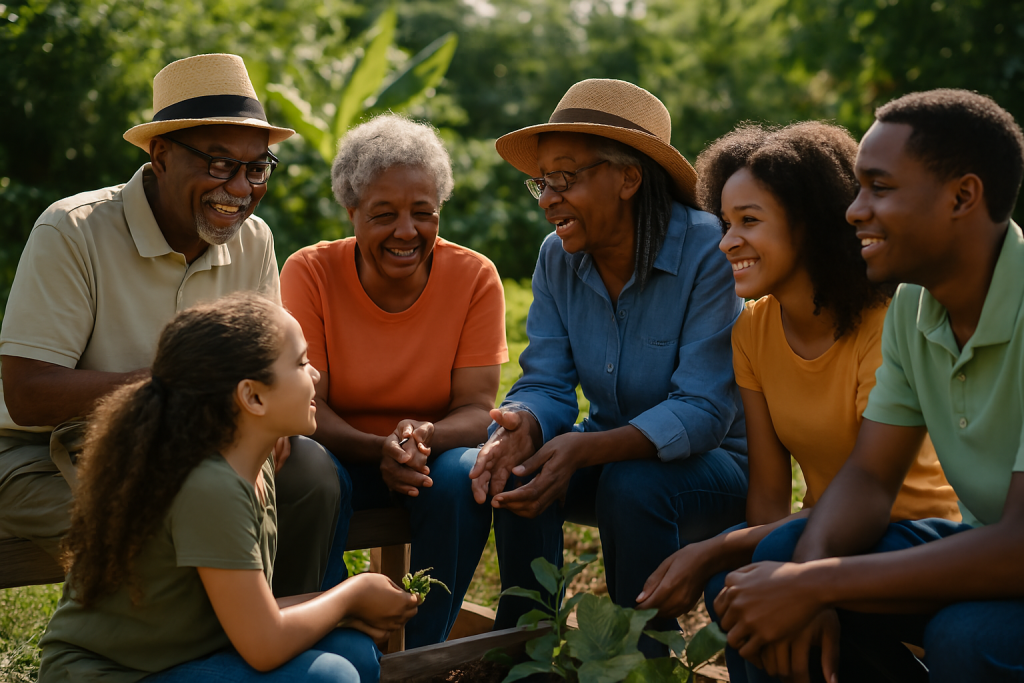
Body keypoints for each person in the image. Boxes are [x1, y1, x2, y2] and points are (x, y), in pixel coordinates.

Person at [0, 53, 340, 597]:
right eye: (220, 162)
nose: (241, 187)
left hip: (197, 443)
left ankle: (280, 644)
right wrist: (179, 387)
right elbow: (28, 394)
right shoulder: (73, 231)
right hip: (42, 455)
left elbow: (265, 366)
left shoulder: (254, 240)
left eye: (257, 167)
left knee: (313, 478)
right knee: (181, 526)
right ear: (160, 155)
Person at [712, 89, 1024, 683]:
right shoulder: (913, 308)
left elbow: (1018, 546)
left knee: (967, 639)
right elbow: (869, 476)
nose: (853, 211)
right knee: (773, 568)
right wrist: (802, 576)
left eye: (879, 188)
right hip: (980, 551)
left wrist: (815, 583)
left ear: (963, 195)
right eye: (857, 189)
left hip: (1004, 558)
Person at [633, 121, 960, 681]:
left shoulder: (884, 328)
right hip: (817, 538)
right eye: (726, 223)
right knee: (735, 589)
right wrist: (747, 560)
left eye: (750, 222)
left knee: (760, 562)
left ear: (809, 226)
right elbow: (767, 498)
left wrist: (715, 549)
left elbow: (872, 492)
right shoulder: (752, 333)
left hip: (911, 540)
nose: (727, 242)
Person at [470, 78, 749, 656]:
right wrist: (524, 420)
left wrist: (589, 449)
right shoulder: (557, 258)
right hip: (609, 453)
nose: (549, 198)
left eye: (566, 178)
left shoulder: (709, 251)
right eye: (542, 182)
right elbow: (547, 380)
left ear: (628, 178)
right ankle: (523, 641)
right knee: (520, 465)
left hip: (717, 467)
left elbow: (703, 412)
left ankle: (642, 655)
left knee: (631, 481)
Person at [37, 293, 419, 683]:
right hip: (107, 675)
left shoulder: (256, 467)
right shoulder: (209, 485)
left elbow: (253, 613)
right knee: (330, 677)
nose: (315, 375)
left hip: (184, 656)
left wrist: (350, 609)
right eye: (301, 362)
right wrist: (351, 595)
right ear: (252, 396)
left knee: (355, 651)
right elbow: (265, 644)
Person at [280, 114, 508, 647]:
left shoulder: (474, 277)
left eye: (423, 213)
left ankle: (425, 650)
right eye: (384, 215)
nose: (407, 231)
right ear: (351, 210)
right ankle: (332, 639)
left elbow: (476, 409)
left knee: (463, 474)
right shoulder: (309, 273)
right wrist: (376, 447)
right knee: (308, 468)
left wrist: (423, 436)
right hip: (339, 456)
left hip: (424, 464)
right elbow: (308, 406)